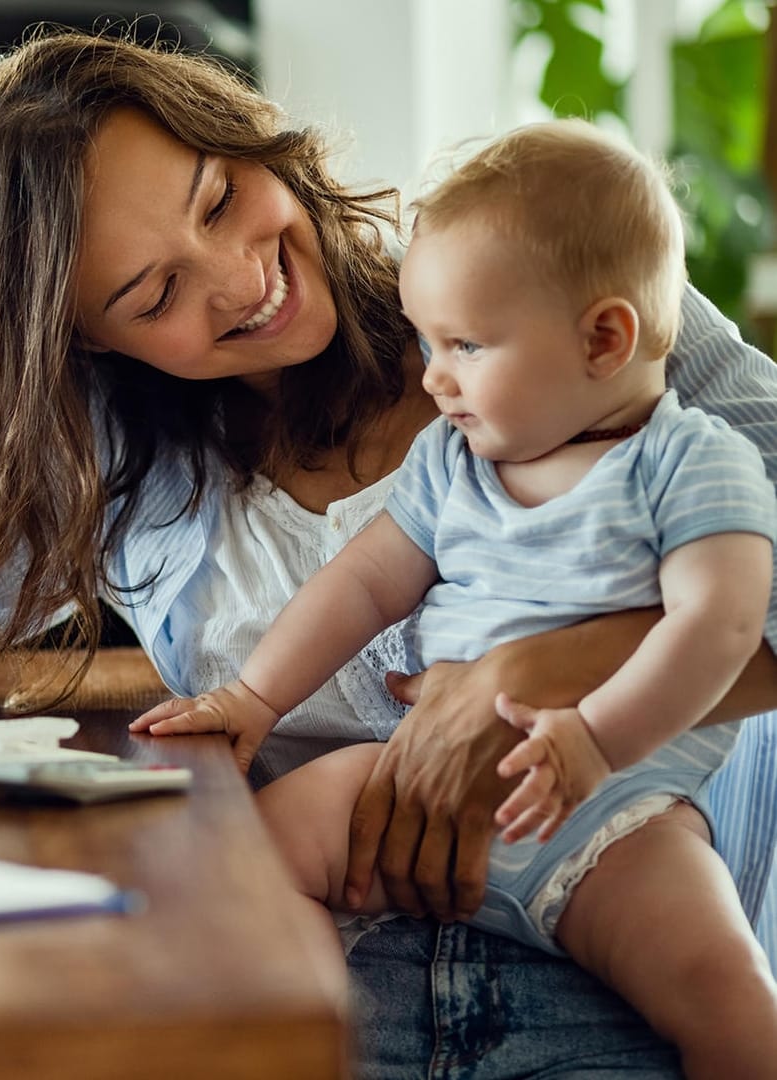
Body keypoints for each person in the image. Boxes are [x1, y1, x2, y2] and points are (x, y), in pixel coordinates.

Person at [0, 27, 777, 1075]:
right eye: (154, 293)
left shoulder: (550, 294)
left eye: (220, 200)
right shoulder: (122, 461)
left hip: (616, 958)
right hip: (326, 976)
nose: (241, 282)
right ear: (83, 342)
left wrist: (526, 676)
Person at [130, 119, 777, 1075]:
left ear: (604, 338)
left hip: (615, 814)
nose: (432, 377)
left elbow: (721, 623)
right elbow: (361, 583)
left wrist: (592, 738)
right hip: (410, 784)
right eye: (429, 342)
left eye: (465, 345)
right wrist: (253, 698)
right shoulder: (454, 460)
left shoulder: (689, 463)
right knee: (246, 861)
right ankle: (317, 1045)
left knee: (725, 990)